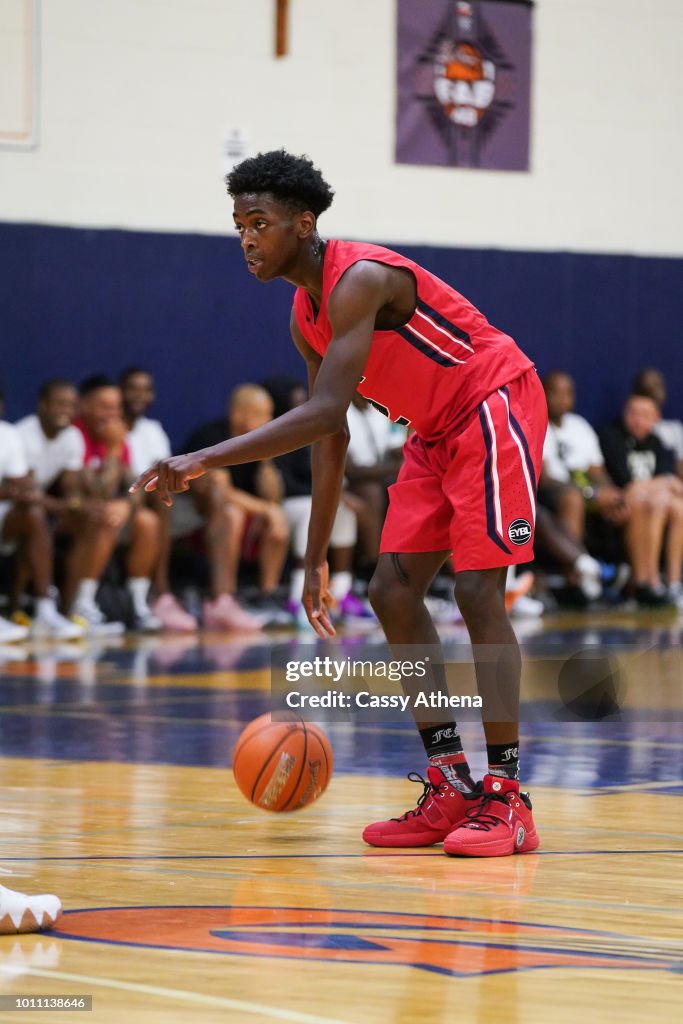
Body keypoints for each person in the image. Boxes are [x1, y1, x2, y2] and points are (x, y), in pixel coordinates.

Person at [132, 150, 548, 858]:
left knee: (478, 591)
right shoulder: (306, 314)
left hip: (489, 404)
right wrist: (314, 559)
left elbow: (323, 411)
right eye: (237, 225)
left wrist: (202, 456)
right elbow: (331, 435)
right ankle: (449, 783)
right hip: (433, 431)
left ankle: (507, 797)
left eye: (258, 222)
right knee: (389, 591)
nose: (247, 239)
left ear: (304, 222)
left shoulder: (358, 279)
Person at [183, 384, 290, 628]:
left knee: (276, 521)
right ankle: (223, 600)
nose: (269, 420)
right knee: (232, 513)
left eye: (270, 414)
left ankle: (267, 597)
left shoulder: (262, 442)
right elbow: (217, 491)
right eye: (262, 414)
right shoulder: (210, 437)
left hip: (241, 510)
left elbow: (273, 496)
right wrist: (265, 509)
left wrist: (266, 461)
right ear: (238, 415)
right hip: (192, 512)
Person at [67, 376, 161, 633]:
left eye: (116, 408)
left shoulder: (117, 437)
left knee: (147, 522)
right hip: (67, 513)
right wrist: (112, 449)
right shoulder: (75, 435)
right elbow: (95, 490)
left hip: (100, 513)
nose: (113, 415)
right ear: (84, 406)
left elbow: (136, 488)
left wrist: (127, 506)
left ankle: (137, 604)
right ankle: (81, 605)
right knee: (104, 517)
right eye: (104, 407)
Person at [538, 371, 628, 600]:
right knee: (572, 497)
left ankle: (637, 580)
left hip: (586, 492)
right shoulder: (536, 423)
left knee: (622, 499)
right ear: (543, 393)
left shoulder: (579, 426)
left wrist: (610, 493)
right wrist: (588, 492)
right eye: (555, 392)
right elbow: (543, 477)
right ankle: (576, 580)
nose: (562, 398)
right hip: (550, 494)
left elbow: (598, 472)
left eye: (568, 392)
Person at [120, 367, 198, 631]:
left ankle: (156, 596)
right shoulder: (110, 427)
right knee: (156, 508)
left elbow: (163, 474)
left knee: (162, 502)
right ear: (121, 391)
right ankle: (160, 590)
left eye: (146, 389)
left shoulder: (152, 429)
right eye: (133, 388)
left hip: (148, 504)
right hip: (120, 504)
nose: (139, 395)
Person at [599, 393, 683, 607]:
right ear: (624, 414)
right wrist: (663, 481)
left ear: (656, 418)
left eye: (645, 415)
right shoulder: (612, 437)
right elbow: (629, 485)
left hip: (654, 501)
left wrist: (663, 482)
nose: (638, 420)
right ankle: (649, 581)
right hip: (622, 504)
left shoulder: (656, 442)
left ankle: (673, 583)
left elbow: (669, 481)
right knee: (650, 501)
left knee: (678, 507)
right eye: (633, 413)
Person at [631, 367, 683, 478]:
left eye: (658, 385)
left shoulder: (674, 429)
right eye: (649, 386)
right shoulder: (632, 428)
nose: (657, 391)